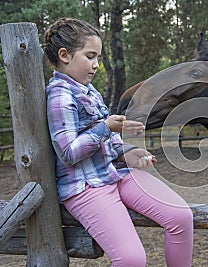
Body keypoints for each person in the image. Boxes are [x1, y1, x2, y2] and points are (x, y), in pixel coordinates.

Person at [43, 18, 193, 267]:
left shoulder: (90, 91)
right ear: (64, 55)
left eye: (98, 58)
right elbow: (69, 153)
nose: (96, 65)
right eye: (90, 56)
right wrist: (106, 127)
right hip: (86, 186)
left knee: (181, 217)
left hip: (113, 173)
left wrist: (128, 152)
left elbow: (109, 141)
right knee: (131, 259)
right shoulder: (60, 96)